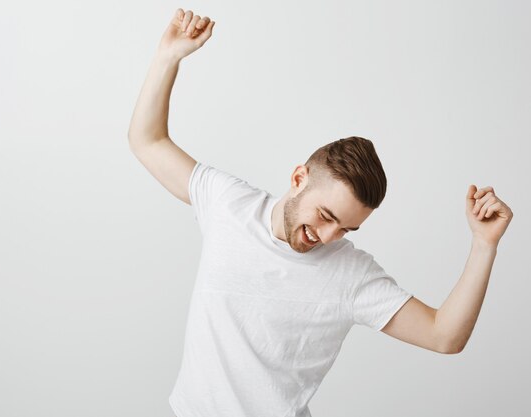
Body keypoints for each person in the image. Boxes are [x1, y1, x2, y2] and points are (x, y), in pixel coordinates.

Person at [127, 8, 514, 417]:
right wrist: (168, 56)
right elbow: (147, 140)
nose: (329, 237)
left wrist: (483, 245)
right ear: (298, 178)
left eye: (347, 228)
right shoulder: (228, 204)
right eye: (327, 216)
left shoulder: (351, 274)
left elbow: (444, 336)